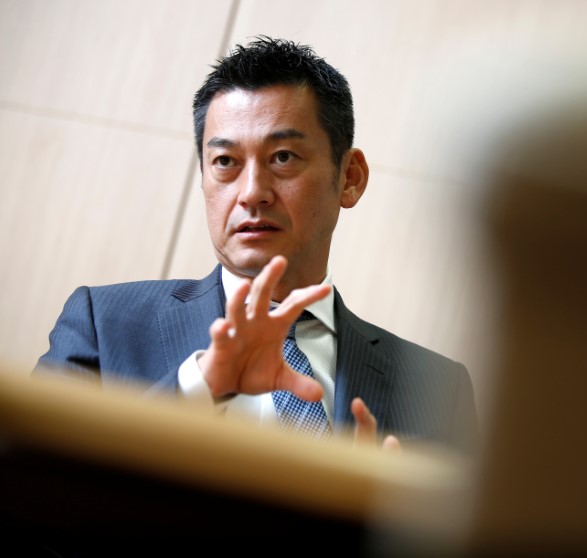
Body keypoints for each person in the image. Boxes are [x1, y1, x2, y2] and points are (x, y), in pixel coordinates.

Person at [34, 36, 479, 457]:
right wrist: (196, 389)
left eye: (283, 157)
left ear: (349, 178)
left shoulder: (439, 390)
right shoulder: (105, 324)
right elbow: (26, 494)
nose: (251, 193)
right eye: (225, 161)